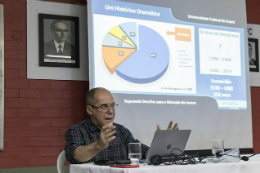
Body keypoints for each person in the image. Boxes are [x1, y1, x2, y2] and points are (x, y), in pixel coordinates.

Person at [65, 87, 179, 163]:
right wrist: (98, 145)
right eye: (104, 106)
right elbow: (74, 156)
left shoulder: (121, 130)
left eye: (112, 105)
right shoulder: (77, 130)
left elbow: (143, 152)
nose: (110, 111)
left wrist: (161, 144)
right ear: (89, 110)